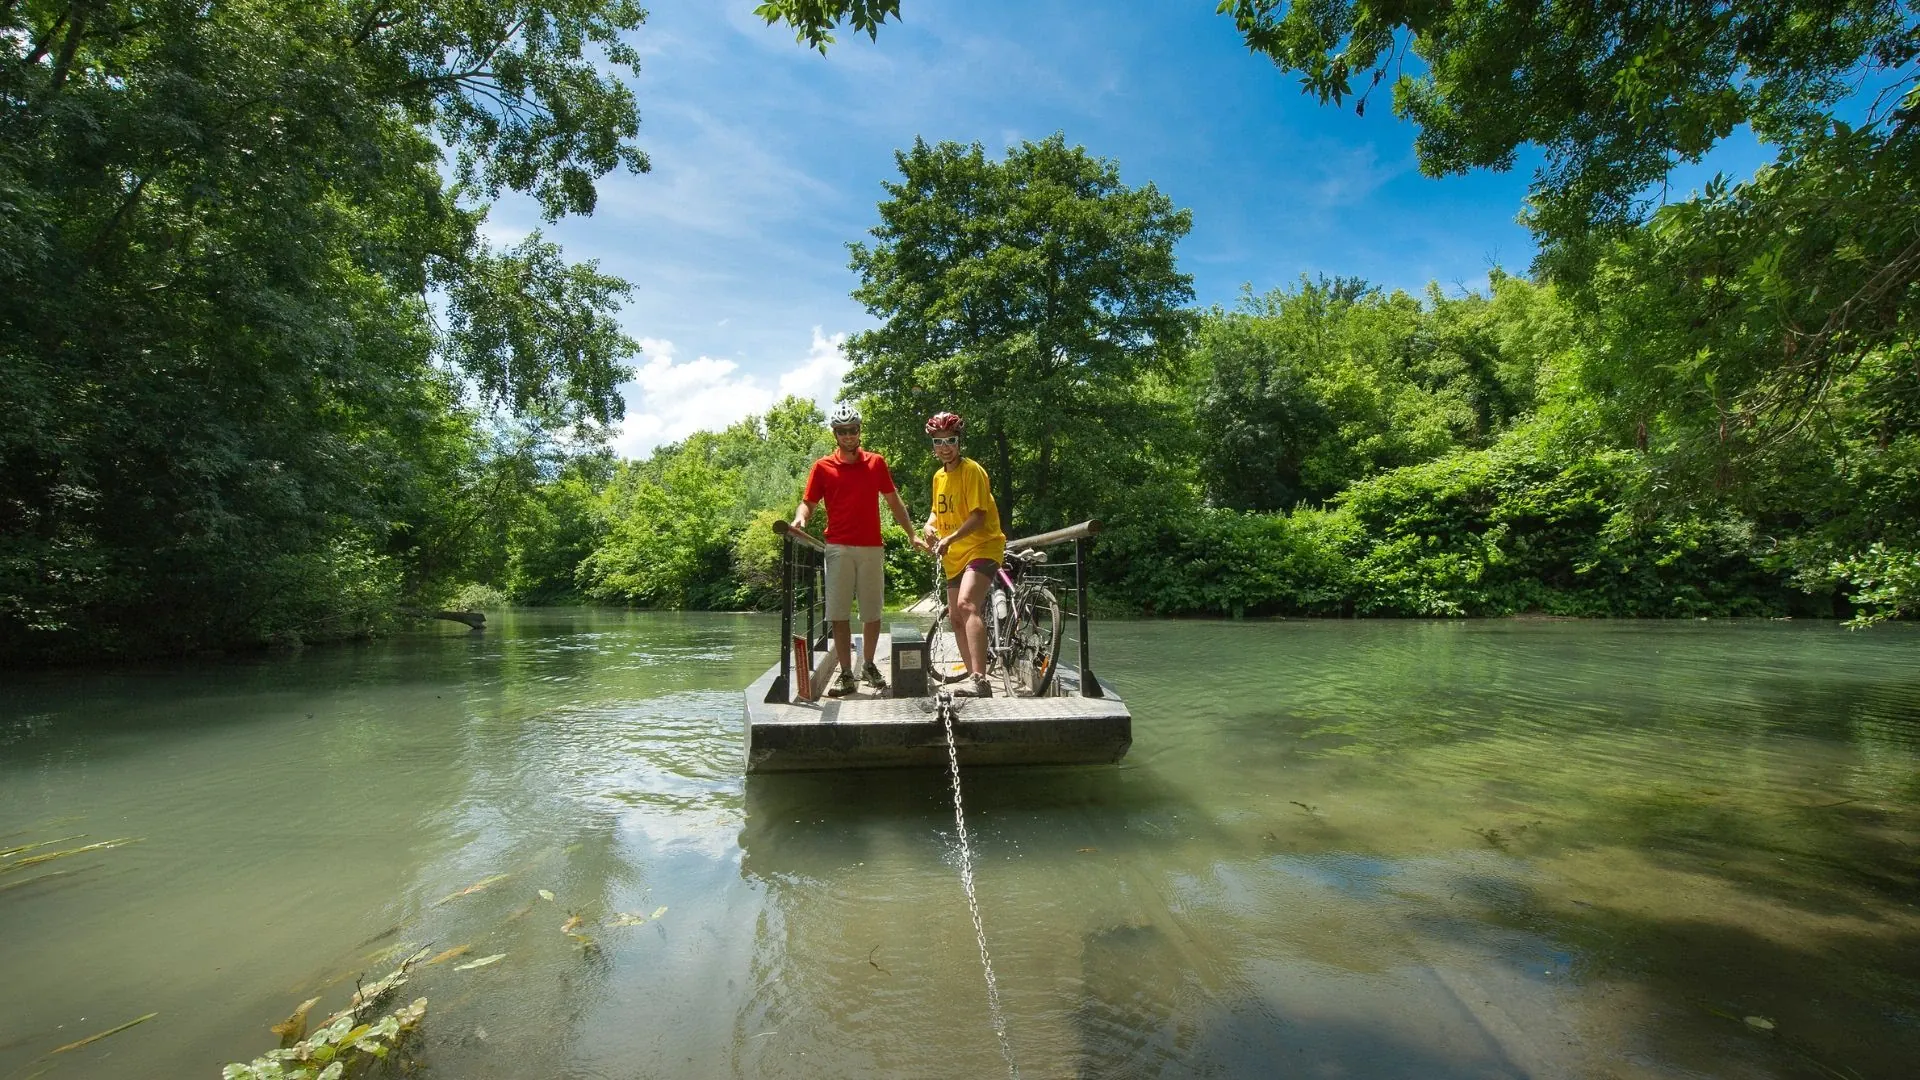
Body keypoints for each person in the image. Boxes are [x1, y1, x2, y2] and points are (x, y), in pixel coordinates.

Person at [792, 403, 916, 698]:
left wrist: (911, 534)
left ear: (860, 431)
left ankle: (869, 665)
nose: (849, 435)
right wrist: (800, 519)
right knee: (839, 612)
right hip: (838, 546)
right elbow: (807, 502)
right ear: (835, 433)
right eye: (843, 431)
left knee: (872, 611)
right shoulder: (822, 467)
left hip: (872, 546)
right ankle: (847, 674)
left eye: (854, 430)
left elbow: (894, 502)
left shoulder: (876, 463)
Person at [916, 411, 1006, 698]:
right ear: (933, 444)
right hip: (954, 555)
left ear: (959, 442)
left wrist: (950, 537)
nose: (945, 447)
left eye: (951, 441)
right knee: (955, 617)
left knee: (968, 604)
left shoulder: (973, 471)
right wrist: (929, 525)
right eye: (939, 442)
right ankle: (972, 678)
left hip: (983, 546)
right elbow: (936, 509)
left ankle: (981, 679)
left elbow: (979, 516)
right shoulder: (938, 477)